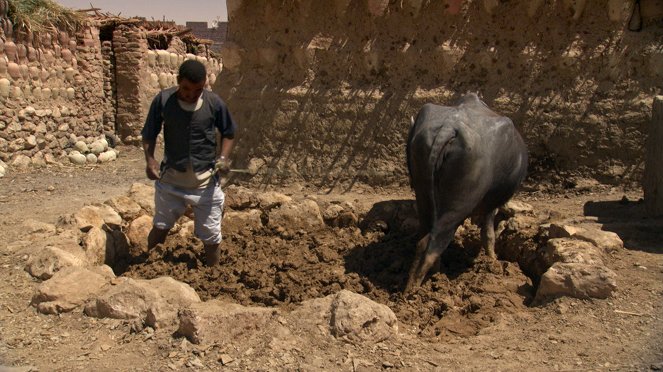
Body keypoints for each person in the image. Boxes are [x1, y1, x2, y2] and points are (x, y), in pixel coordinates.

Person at [141, 59, 237, 266]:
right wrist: (150, 161)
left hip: (205, 185)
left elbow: (229, 132)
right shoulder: (163, 101)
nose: (191, 94)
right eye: (186, 89)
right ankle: (148, 267)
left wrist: (223, 158)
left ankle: (214, 275)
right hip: (171, 183)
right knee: (160, 227)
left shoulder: (214, 103)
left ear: (204, 85)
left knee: (211, 237)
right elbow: (149, 133)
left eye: (197, 90)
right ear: (178, 81)